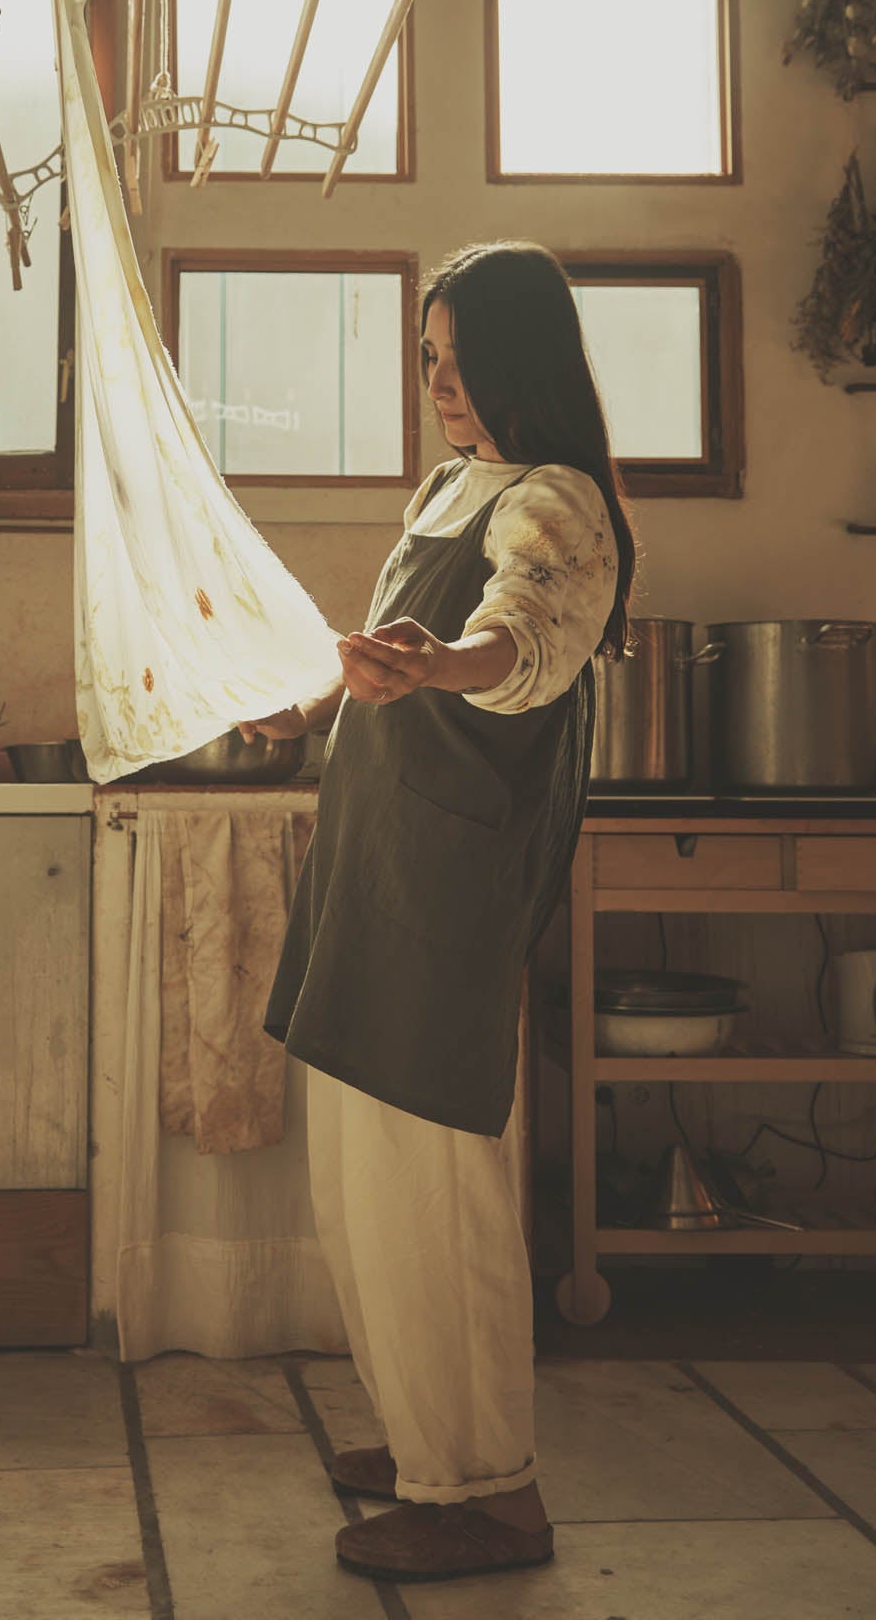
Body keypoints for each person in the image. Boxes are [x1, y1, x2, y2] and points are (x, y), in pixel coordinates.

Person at [241, 241, 636, 1585]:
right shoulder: (445, 486)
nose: (438, 384)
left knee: (433, 1195)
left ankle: (489, 1492)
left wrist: (443, 663)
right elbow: (392, 653)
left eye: (460, 361)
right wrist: (310, 690)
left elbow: (517, 642)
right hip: (379, 867)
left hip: (448, 891)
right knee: (361, 1184)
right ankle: (426, 1440)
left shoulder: (556, 503)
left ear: (520, 362)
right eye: (426, 357)